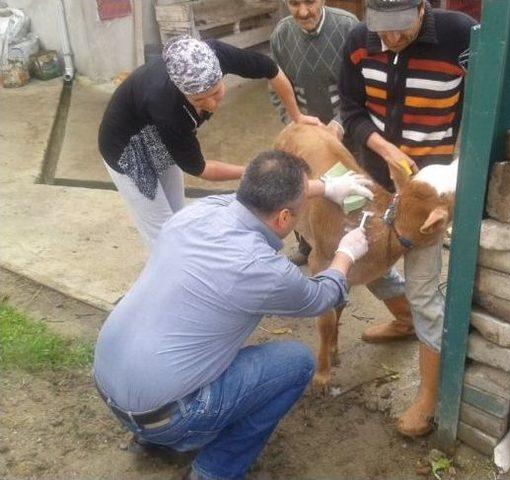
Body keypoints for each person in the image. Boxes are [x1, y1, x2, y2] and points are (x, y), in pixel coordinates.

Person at [93, 150, 371, 480]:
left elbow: (252, 198)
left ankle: (148, 440)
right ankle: (216, 470)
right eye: (299, 213)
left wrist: (324, 188)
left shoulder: (196, 213)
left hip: (107, 384)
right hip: (170, 416)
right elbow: (322, 297)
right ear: (283, 219)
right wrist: (345, 253)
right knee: (296, 362)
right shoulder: (263, 270)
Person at [339, 0, 476, 436]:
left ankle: (428, 397)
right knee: (365, 266)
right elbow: (352, 110)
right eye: (382, 29)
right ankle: (402, 322)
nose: (390, 40)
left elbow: (481, 107)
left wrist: (456, 170)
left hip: (424, 199)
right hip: (375, 181)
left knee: (424, 294)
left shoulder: (461, 37)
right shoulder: (359, 41)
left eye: (400, 29)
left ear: (423, 7)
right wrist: (383, 148)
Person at [99, 35, 320, 249]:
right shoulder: (166, 107)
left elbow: (271, 70)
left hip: (158, 134)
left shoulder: (216, 55)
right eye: (199, 100)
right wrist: (251, 172)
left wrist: (297, 116)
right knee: (163, 234)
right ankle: (173, 277)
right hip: (126, 151)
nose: (212, 105)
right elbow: (200, 168)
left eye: (216, 92)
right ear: (182, 92)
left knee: (177, 216)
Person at [270, 0, 359, 266]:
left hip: (346, 131)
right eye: (294, 3)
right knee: (300, 190)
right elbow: (277, 87)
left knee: (349, 195)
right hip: (303, 136)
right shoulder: (281, 34)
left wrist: (339, 124)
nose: (303, 11)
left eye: (310, 1)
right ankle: (306, 244)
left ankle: (350, 250)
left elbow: (361, 85)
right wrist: (294, 123)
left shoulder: (348, 27)